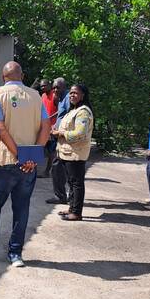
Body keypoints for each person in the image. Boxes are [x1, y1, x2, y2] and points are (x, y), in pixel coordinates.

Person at [0, 61, 51, 268]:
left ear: (2, 77)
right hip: (28, 165)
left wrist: (19, 155)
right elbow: (46, 126)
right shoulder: (36, 96)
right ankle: (15, 254)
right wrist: (31, 157)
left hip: (2, 162)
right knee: (21, 208)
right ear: (22, 76)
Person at [51, 84, 94, 221]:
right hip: (67, 152)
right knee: (71, 182)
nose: (72, 95)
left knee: (76, 183)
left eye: (75, 93)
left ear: (83, 95)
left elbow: (80, 134)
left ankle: (76, 212)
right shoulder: (73, 110)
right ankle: (71, 208)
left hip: (76, 154)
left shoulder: (83, 112)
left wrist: (60, 133)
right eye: (70, 93)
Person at [45, 77, 72, 204]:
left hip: (64, 139)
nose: (55, 89)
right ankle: (62, 195)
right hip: (58, 136)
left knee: (59, 167)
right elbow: (60, 115)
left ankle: (61, 196)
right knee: (58, 168)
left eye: (58, 87)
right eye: (54, 87)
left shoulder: (67, 98)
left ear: (64, 87)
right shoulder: (61, 99)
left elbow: (70, 117)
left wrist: (58, 131)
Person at [39, 79, 56, 178]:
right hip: (44, 127)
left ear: (50, 85)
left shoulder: (55, 95)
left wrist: (51, 118)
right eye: (41, 86)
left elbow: (60, 110)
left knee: (51, 151)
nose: (43, 88)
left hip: (53, 127)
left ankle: (47, 171)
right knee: (40, 147)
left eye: (45, 86)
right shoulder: (43, 96)